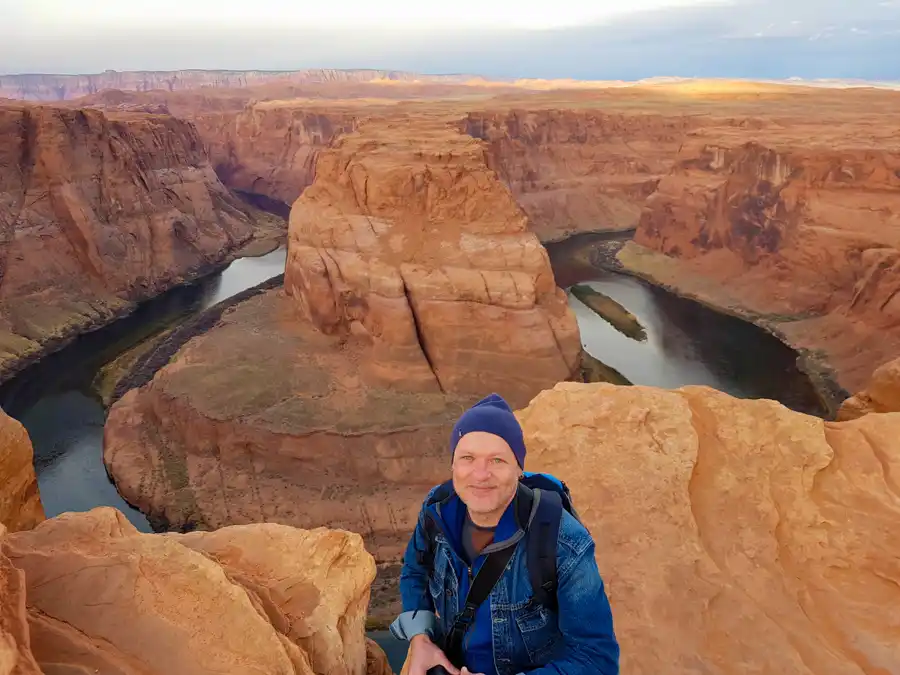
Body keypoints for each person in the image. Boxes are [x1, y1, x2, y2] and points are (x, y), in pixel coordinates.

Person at [390, 393, 619, 675]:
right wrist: (420, 639)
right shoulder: (436, 513)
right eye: (467, 458)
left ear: (519, 470)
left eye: (497, 460)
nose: (480, 474)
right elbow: (415, 571)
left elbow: (597, 659)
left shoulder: (562, 541)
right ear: (453, 465)